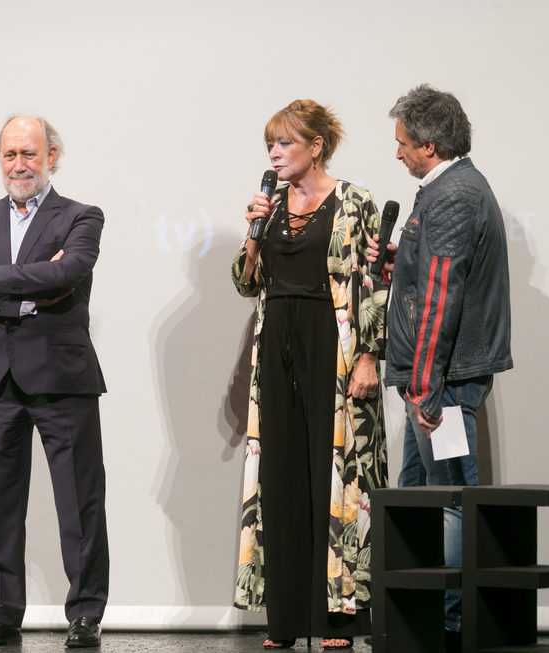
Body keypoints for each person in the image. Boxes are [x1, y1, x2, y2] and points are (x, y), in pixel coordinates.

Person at [0, 115, 109, 649]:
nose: (20, 165)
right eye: (11, 155)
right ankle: (2, 612)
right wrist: (27, 291)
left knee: (80, 501)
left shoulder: (82, 216)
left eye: (30, 154)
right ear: (0, 160)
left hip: (62, 375)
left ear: (52, 156)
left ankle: (85, 614)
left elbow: (68, 273)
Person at [231, 100, 389, 650]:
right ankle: (286, 619)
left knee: (335, 473)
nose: (275, 154)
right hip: (276, 341)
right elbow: (246, 282)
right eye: (270, 145)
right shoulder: (269, 206)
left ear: (316, 146)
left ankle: (337, 620)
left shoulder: (355, 201)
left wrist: (370, 355)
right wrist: (253, 233)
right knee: (281, 473)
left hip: (334, 341)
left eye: (286, 144)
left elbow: (375, 283)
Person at [373, 84, 513, 649]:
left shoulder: (453, 196)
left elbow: (440, 298)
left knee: (451, 498)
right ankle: (423, 615)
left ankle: (453, 622)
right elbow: (428, 277)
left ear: (429, 145)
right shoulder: (446, 190)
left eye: (402, 143)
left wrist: (427, 387)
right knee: (417, 494)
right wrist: (398, 261)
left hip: (445, 384)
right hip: (434, 381)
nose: (398, 152)